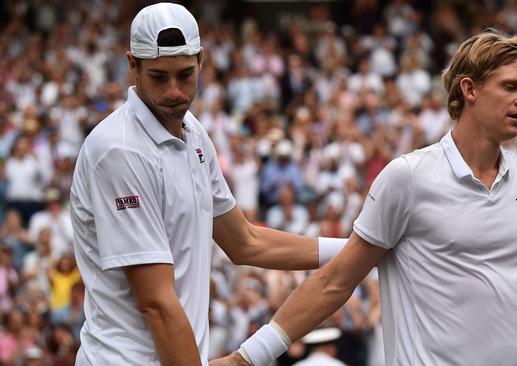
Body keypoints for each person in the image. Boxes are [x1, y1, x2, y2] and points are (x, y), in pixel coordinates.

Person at [214, 30, 517, 366]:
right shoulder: (407, 177)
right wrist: (246, 359)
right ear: (469, 90)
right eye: (511, 87)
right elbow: (335, 282)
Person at [70, 3, 345, 365]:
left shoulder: (194, 133)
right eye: (159, 76)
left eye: (184, 74)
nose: (174, 91)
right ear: (132, 65)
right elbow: (156, 303)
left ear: (201, 60)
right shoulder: (119, 150)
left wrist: (356, 250)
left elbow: (246, 242)